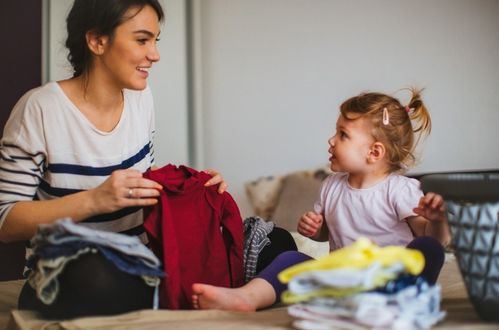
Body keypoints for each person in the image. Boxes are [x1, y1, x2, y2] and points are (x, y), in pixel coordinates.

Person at [0, 0, 231, 317]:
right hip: (68, 269)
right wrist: (95, 200)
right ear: (96, 41)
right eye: (141, 40)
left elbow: (141, 184)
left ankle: (161, 287)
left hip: (138, 259)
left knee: (271, 242)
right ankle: (168, 291)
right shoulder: (39, 110)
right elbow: (5, 221)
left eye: (155, 41)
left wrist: (194, 186)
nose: (155, 54)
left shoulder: (141, 98)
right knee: (94, 278)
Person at [191, 88, 451, 312]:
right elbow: (328, 234)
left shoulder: (399, 190)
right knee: (291, 259)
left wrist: (438, 221)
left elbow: (432, 238)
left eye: (343, 135)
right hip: (343, 283)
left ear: (374, 152)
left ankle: (406, 299)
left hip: (393, 283)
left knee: (429, 250)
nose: (331, 140)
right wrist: (316, 230)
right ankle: (247, 297)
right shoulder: (331, 186)